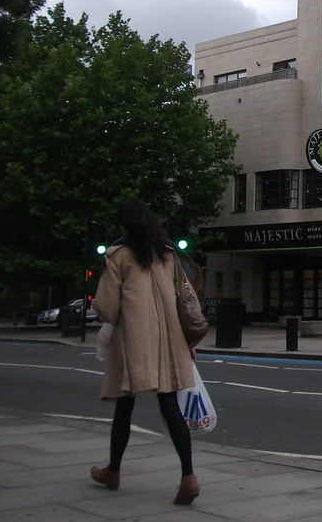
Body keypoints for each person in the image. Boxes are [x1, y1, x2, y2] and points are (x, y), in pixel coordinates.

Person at [90, 197, 200, 505]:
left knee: (124, 407)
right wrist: (187, 343)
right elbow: (186, 299)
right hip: (169, 338)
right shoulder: (167, 254)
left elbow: (108, 307)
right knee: (170, 405)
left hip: (134, 339)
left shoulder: (118, 255)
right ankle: (188, 476)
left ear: (124, 224)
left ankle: (113, 470)